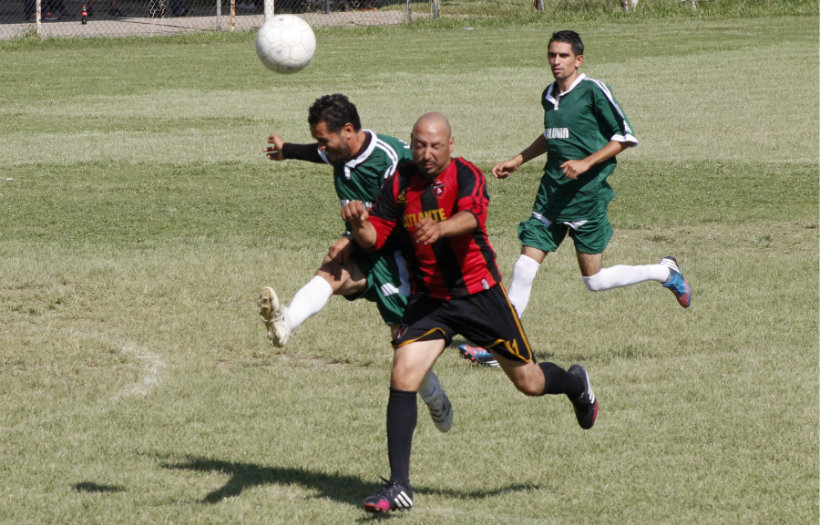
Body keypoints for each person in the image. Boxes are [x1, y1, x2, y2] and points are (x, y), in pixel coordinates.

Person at [342, 112, 598, 513]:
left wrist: (440, 228)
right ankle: (399, 487)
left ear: (451, 145)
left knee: (530, 382)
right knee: (403, 373)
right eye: (419, 145)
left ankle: (575, 384)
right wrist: (359, 225)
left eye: (435, 146)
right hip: (431, 302)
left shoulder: (466, 175)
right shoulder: (399, 181)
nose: (426, 154)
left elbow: (473, 216)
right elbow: (375, 236)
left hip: (479, 296)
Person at [459, 30, 692, 366]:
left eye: (563, 56)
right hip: (551, 196)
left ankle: (664, 272)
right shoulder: (549, 95)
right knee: (524, 267)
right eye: (552, 55)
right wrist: (519, 159)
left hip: (587, 198)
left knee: (594, 281)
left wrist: (586, 162)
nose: (556, 61)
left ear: (579, 59)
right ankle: (501, 346)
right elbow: (551, 135)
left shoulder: (593, 91)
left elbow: (625, 137)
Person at [257, 94, 453, 433]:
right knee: (331, 270)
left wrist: (350, 237)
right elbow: (319, 153)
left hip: (399, 256)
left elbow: (402, 210)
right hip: (366, 245)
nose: (322, 148)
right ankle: (285, 321)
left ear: (348, 131)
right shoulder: (339, 150)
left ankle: (434, 395)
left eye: (325, 140)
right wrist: (287, 149)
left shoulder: (392, 159)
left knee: (404, 347)